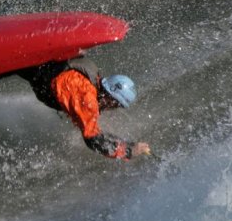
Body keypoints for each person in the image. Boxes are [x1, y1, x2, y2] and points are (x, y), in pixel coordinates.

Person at [16, 57, 150, 160]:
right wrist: (128, 152)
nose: (113, 108)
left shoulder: (94, 79)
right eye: (116, 105)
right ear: (109, 99)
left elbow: (97, 132)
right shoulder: (88, 100)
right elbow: (93, 140)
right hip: (40, 75)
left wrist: (127, 144)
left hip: (46, 66)